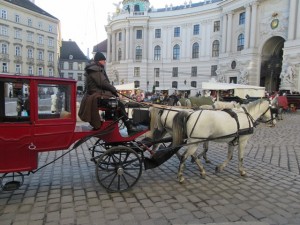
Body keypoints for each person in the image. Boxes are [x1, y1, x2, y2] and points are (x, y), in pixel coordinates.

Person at [78, 52, 142, 134]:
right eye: (104, 60)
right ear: (99, 60)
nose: (105, 62)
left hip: (95, 94)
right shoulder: (95, 70)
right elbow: (103, 83)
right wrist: (114, 90)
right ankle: (129, 126)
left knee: (117, 103)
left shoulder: (94, 69)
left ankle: (120, 122)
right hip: (96, 96)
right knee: (119, 104)